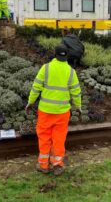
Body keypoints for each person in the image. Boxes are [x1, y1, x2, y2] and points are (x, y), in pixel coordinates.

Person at [26, 44, 82, 176]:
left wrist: (30, 102)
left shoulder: (45, 69)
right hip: (62, 112)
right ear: (66, 56)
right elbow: (76, 92)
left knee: (44, 137)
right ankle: (57, 164)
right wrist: (78, 107)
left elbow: (36, 88)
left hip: (45, 111)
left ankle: (43, 165)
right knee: (59, 138)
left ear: (54, 54)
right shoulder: (71, 72)